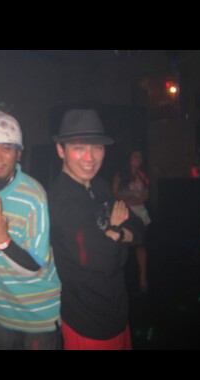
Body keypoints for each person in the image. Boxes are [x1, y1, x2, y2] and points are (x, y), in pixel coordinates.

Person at [0, 111, 61, 350]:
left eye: (6, 148)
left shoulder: (33, 196)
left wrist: (2, 241)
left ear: (19, 153)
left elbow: (36, 267)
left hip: (39, 316)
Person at [49, 109, 140, 350]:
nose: (89, 157)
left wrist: (115, 235)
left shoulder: (99, 185)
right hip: (89, 325)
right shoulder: (64, 201)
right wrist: (117, 229)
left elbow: (139, 229)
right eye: (79, 147)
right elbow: (105, 261)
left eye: (97, 147)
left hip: (117, 314)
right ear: (61, 150)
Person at [112, 148, 150, 292]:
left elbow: (147, 193)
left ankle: (143, 277)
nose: (139, 158)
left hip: (140, 212)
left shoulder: (142, 175)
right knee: (122, 245)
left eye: (140, 156)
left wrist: (139, 199)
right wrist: (127, 200)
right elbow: (113, 193)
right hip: (125, 211)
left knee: (140, 245)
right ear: (129, 158)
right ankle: (120, 278)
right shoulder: (120, 175)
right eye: (136, 156)